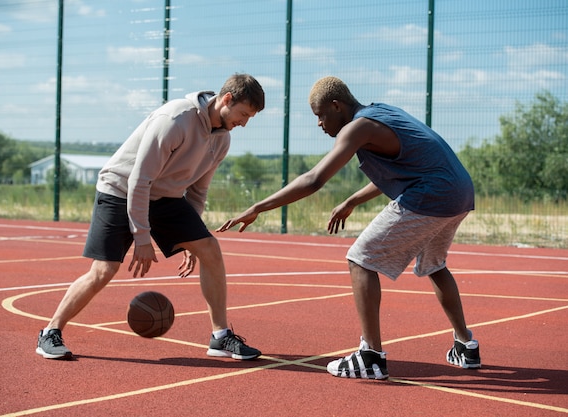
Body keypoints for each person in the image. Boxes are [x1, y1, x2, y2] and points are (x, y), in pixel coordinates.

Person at [217, 76, 481, 379]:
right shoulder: (381, 113)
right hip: (459, 192)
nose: (319, 124)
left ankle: (370, 356)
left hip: (432, 193)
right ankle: (465, 346)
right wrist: (353, 200)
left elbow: (314, 179)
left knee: (361, 258)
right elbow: (410, 167)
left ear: (336, 105)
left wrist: (258, 207)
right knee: (435, 265)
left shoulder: (359, 126)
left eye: (320, 115)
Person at [36, 73, 265, 361]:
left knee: (209, 249)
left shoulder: (222, 140)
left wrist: (190, 240)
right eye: (243, 114)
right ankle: (50, 332)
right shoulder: (175, 120)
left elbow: (197, 191)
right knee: (104, 270)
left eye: (249, 118)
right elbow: (139, 179)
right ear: (227, 99)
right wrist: (141, 236)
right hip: (121, 189)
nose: (243, 123)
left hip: (164, 196)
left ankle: (220, 337)